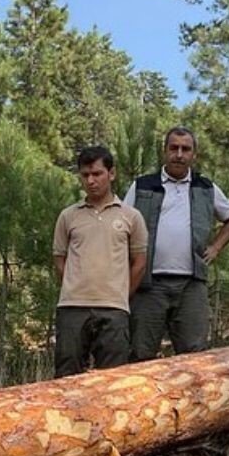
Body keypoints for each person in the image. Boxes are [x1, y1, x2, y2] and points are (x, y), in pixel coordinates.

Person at [123, 127, 229, 361]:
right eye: (174, 148)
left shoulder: (205, 188)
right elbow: (121, 224)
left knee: (194, 357)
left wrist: (216, 247)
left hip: (191, 285)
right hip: (148, 284)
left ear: (193, 154)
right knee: (140, 355)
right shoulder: (143, 185)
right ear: (164, 151)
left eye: (185, 149)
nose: (179, 154)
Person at [52, 145, 148, 376]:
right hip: (72, 307)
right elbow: (59, 259)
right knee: (67, 376)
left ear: (111, 174)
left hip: (114, 309)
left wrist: (121, 294)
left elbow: (139, 262)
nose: (91, 181)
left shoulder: (131, 216)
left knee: (112, 379)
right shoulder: (68, 216)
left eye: (97, 174)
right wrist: (75, 286)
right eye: (85, 175)